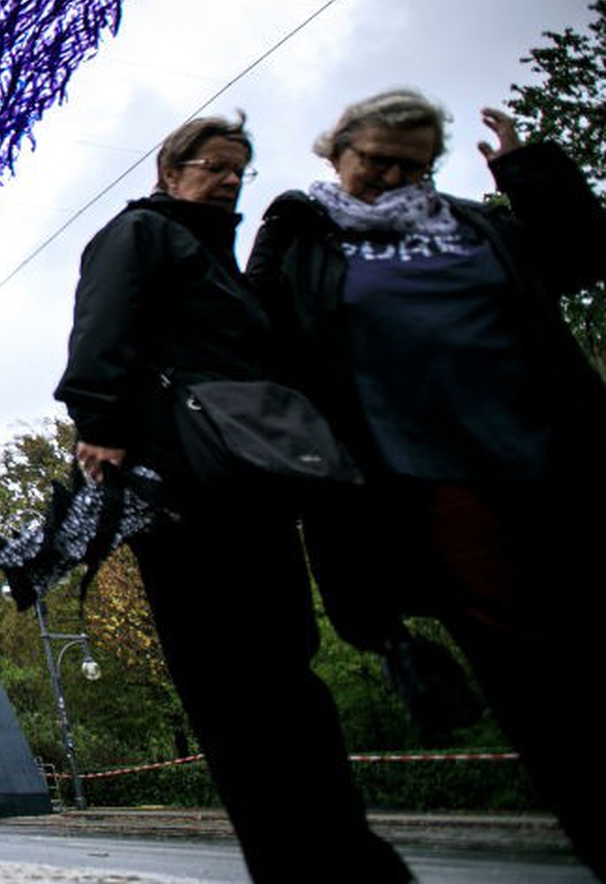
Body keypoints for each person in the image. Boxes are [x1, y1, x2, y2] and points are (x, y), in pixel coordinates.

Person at [248, 92, 606, 875]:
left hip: (555, 472)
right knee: (542, 686)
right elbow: (260, 338)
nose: (388, 176)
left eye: (409, 165)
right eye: (374, 159)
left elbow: (578, 256)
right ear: (335, 150)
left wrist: (525, 169)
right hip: (433, 492)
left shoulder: (471, 225)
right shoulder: (307, 239)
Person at [55, 114, 407, 883]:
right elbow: (102, 323)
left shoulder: (221, 266)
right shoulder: (141, 234)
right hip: (182, 488)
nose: (228, 179)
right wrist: (102, 424)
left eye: (238, 170)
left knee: (281, 669)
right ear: (171, 168)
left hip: (251, 487)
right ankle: (308, 860)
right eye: (214, 165)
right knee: (232, 683)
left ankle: (337, 853)